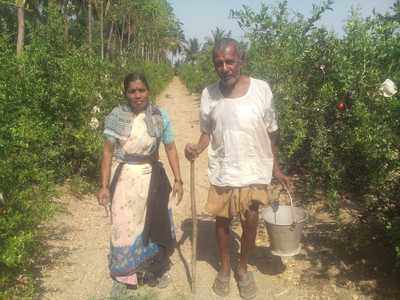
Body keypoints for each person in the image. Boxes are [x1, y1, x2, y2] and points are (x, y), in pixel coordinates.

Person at [184, 38, 291, 300]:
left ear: (240, 60)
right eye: (219, 63)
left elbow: (272, 133)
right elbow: (206, 133)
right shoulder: (209, 94)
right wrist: (196, 149)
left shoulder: (261, 90)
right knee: (222, 222)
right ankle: (224, 269)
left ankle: (242, 269)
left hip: (254, 169)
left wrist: (276, 168)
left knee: (250, 221)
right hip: (224, 168)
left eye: (230, 61)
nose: (225, 67)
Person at [97, 72, 184, 297]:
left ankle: (153, 270)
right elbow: (107, 153)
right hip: (124, 176)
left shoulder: (159, 116)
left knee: (153, 225)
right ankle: (122, 275)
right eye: (132, 91)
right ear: (125, 93)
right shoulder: (116, 116)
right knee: (123, 227)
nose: (137, 95)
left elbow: (171, 148)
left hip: (151, 177)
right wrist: (104, 186)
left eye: (141, 90)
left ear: (149, 91)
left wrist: (178, 179)